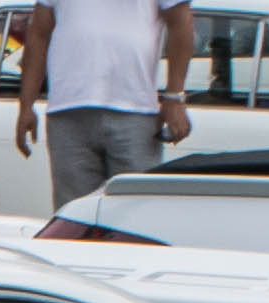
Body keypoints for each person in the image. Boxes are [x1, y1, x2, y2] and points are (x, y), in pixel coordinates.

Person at [16, 0, 192, 210]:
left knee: (134, 215)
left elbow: (181, 22)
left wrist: (174, 97)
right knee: (74, 218)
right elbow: (38, 32)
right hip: (69, 110)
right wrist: (26, 105)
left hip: (134, 109)